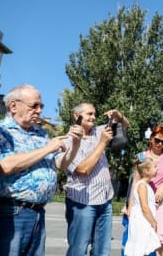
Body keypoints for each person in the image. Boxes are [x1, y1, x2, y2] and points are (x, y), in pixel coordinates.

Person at [0, 84, 83, 255]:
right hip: (12, 213)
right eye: (34, 106)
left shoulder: (40, 134)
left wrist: (75, 144)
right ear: (13, 106)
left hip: (38, 212)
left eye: (41, 106)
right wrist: (47, 148)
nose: (38, 111)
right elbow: (6, 166)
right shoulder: (3, 132)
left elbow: (61, 164)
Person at [64, 102, 129, 256]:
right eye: (89, 114)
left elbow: (125, 125)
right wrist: (102, 143)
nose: (94, 117)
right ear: (76, 116)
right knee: (78, 249)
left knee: (102, 250)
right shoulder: (69, 140)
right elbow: (83, 169)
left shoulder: (98, 130)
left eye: (94, 113)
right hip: (82, 204)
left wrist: (118, 115)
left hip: (104, 201)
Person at [133, 124, 163, 256]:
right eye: (157, 140)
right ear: (151, 138)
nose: (160, 144)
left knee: (159, 241)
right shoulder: (141, 156)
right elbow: (135, 181)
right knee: (143, 237)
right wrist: (130, 206)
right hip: (145, 202)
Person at [124, 157, 161, 256]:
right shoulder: (142, 186)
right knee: (139, 247)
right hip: (141, 221)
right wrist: (153, 222)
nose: (157, 169)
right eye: (155, 167)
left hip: (144, 220)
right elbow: (144, 207)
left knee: (144, 247)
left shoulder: (145, 185)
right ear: (146, 171)